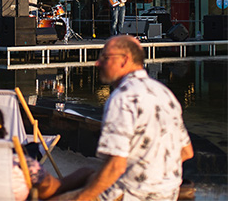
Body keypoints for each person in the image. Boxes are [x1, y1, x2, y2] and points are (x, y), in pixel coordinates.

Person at [71, 35, 194, 201]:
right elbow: (186, 152)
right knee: (85, 175)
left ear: (124, 60)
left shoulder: (123, 98)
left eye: (105, 57)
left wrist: (81, 198)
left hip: (132, 194)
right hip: (168, 193)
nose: (97, 63)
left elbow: (116, 166)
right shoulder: (164, 93)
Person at [0, 103, 95, 201]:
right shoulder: (19, 164)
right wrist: (86, 172)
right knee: (89, 174)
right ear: (1, 130)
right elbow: (52, 189)